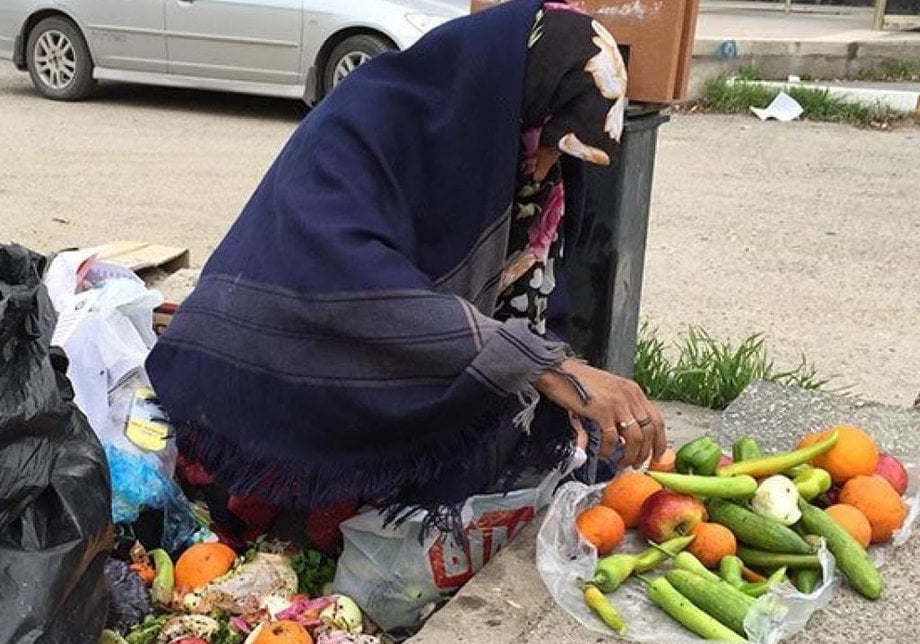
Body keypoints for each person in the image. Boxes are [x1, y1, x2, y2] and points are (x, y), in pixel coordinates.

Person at [146, 0, 666, 552]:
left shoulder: (524, 163)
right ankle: (296, 506)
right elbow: (341, 286)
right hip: (281, 342)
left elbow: (522, 304)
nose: (543, 168)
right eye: (545, 143)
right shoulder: (370, 116)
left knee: (512, 401)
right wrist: (545, 366)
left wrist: (561, 378)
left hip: (377, 334)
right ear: (516, 100)